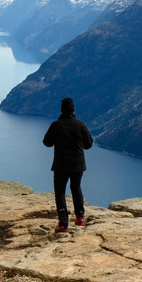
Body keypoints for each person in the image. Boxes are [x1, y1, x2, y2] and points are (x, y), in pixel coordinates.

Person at [43, 97, 93, 233]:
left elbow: (46, 142)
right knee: (76, 187)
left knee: (60, 192)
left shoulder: (56, 125)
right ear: (73, 110)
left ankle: (63, 223)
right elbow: (88, 144)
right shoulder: (80, 124)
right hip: (78, 164)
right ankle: (80, 218)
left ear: (62, 111)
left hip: (61, 165)